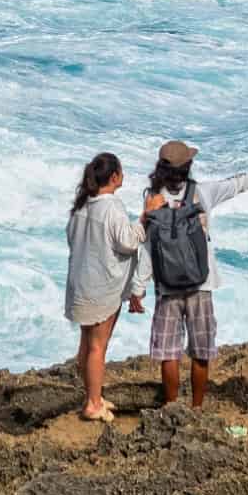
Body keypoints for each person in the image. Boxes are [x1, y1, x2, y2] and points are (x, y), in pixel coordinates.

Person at [142, 140, 248, 409]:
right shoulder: (202, 193)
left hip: (166, 287)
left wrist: (137, 288)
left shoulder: (152, 199)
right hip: (202, 282)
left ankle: (171, 408)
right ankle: (196, 408)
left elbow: (149, 245)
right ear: (188, 167)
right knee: (201, 351)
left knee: (169, 354)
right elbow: (238, 184)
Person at [64, 152, 167, 422]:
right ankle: (93, 404)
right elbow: (128, 243)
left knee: (86, 344)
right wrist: (145, 218)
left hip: (81, 284)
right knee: (98, 347)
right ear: (114, 177)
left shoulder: (82, 206)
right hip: (102, 287)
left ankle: (92, 396)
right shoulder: (111, 206)